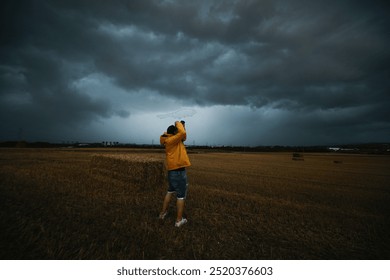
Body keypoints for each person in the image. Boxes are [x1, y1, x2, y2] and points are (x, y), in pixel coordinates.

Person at [159, 120, 191, 227]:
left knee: (170, 191)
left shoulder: (168, 139)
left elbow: (183, 136)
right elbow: (181, 134)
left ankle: (162, 214)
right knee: (181, 196)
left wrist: (183, 126)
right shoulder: (172, 140)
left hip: (171, 171)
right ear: (174, 134)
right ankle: (178, 221)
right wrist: (178, 122)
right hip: (179, 171)